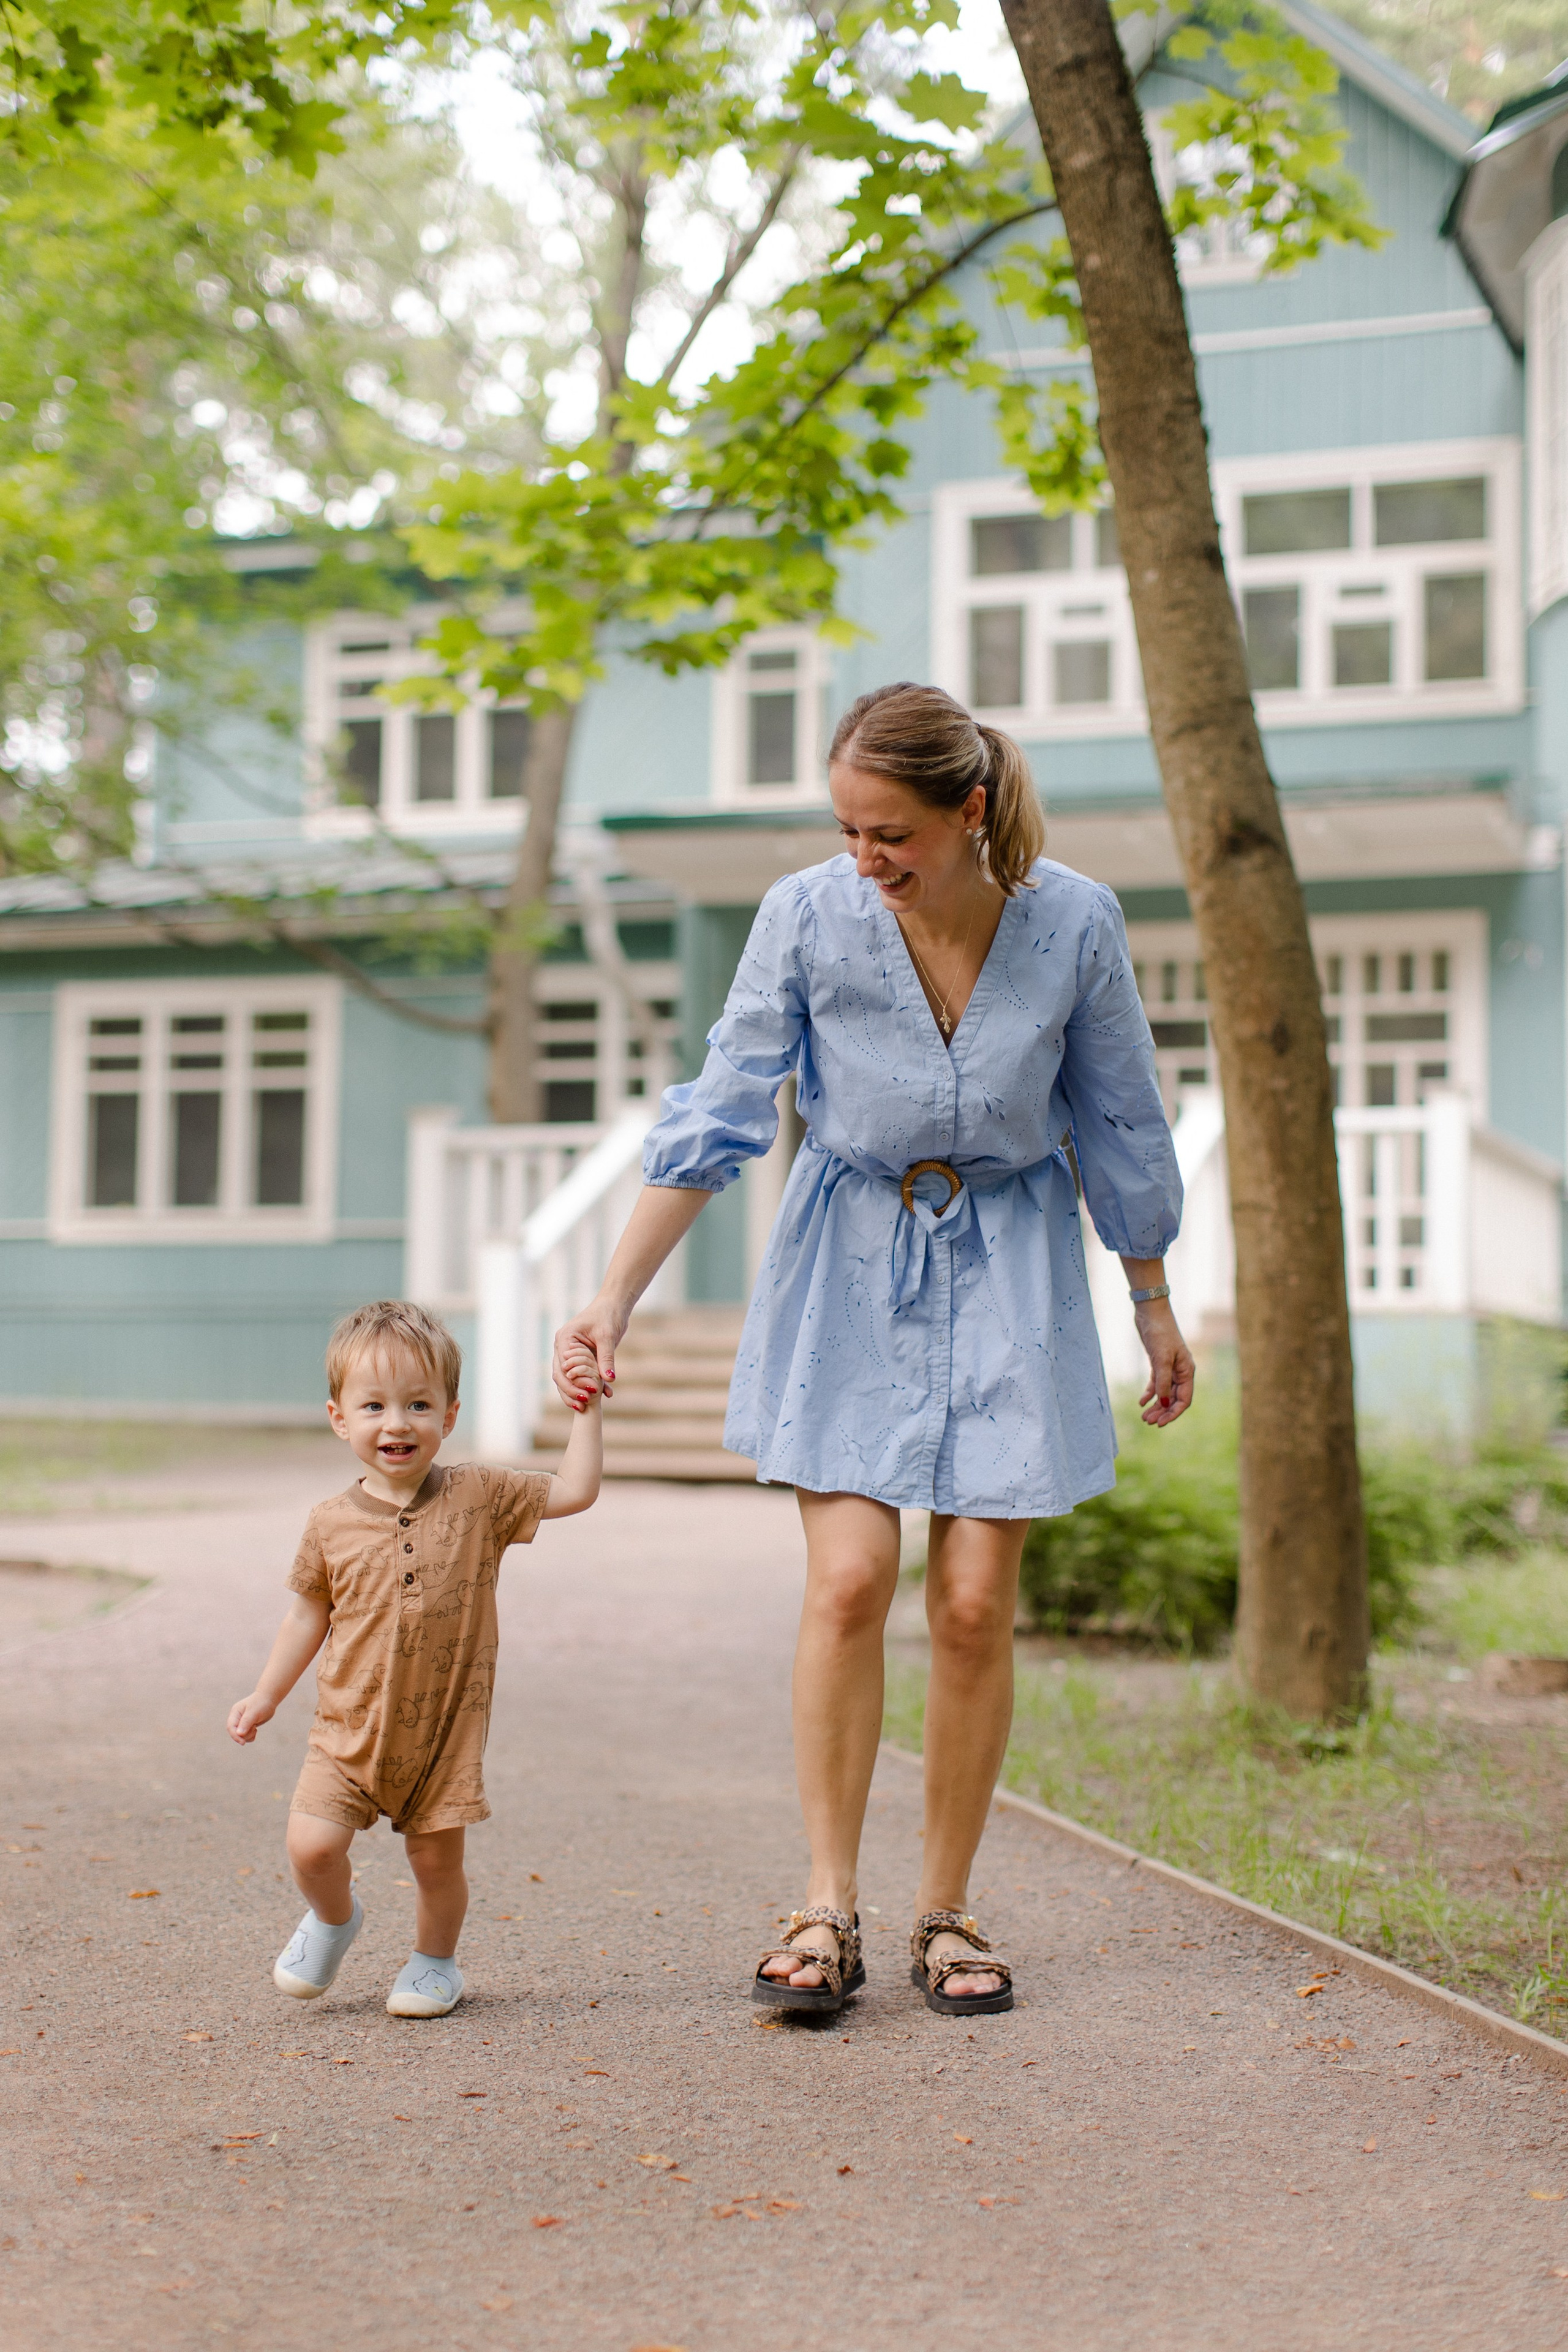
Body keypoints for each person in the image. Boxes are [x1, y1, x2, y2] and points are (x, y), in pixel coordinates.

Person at [552, 680, 1193, 2019]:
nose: (865, 861)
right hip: (848, 1262)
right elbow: (722, 1106)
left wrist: (1147, 1296)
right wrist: (611, 1297)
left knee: (968, 1609)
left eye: (888, 833)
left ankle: (946, 1911)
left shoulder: (1072, 920)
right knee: (849, 1585)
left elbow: (1122, 1116)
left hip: (1013, 1266)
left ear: (968, 810)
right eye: (846, 832)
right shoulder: (804, 916)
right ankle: (824, 1903)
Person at [228, 1298, 602, 2018]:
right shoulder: (329, 1523)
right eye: (373, 1405)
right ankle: (336, 1919)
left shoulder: (481, 1496)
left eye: (418, 1404)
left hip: (440, 1736)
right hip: (347, 1731)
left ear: (449, 1415)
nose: (396, 1423)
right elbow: (307, 1613)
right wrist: (266, 1694)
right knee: (310, 1848)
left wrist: (585, 1409)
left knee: (436, 1865)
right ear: (340, 1418)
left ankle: (435, 1963)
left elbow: (577, 1491)